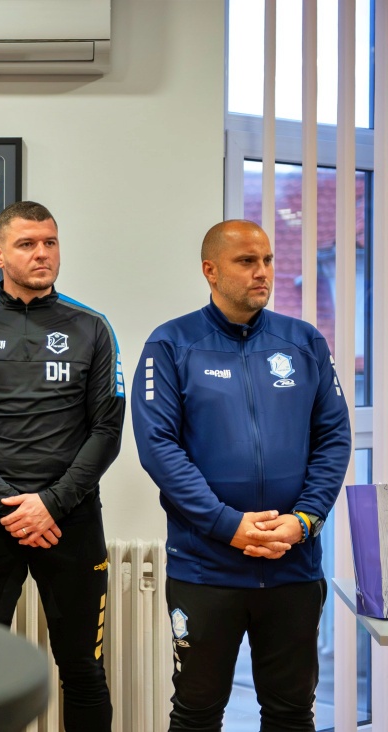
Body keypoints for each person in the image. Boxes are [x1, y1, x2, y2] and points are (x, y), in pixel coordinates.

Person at [131, 219, 351, 732]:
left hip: (293, 566)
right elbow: (158, 448)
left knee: (292, 714)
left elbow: (334, 438)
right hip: (205, 569)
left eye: (267, 260)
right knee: (197, 713)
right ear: (210, 270)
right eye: (247, 261)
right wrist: (226, 524)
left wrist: (305, 519)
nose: (262, 272)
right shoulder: (172, 344)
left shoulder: (304, 342)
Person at [0, 200, 124, 731]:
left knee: (84, 670)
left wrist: (51, 505)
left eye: (50, 242)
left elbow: (107, 433)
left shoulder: (93, 327)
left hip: (71, 521)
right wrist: (11, 508)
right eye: (27, 244)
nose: (42, 253)